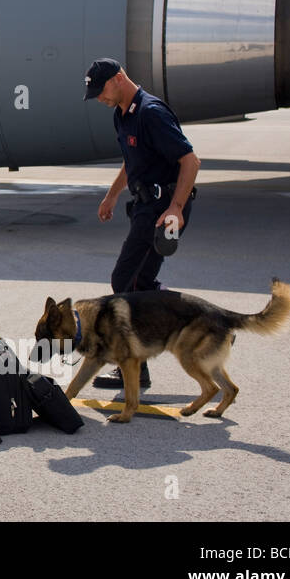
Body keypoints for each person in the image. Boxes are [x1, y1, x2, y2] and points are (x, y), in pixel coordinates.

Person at [86, 57, 200, 389]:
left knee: (126, 280)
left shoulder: (151, 113)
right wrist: (112, 195)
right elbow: (131, 160)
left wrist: (176, 208)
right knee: (139, 284)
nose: (99, 98)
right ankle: (201, 320)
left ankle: (136, 365)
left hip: (165, 209)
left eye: (101, 90)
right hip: (145, 207)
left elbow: (190, 161)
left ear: (119, 78)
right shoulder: (122, 115)